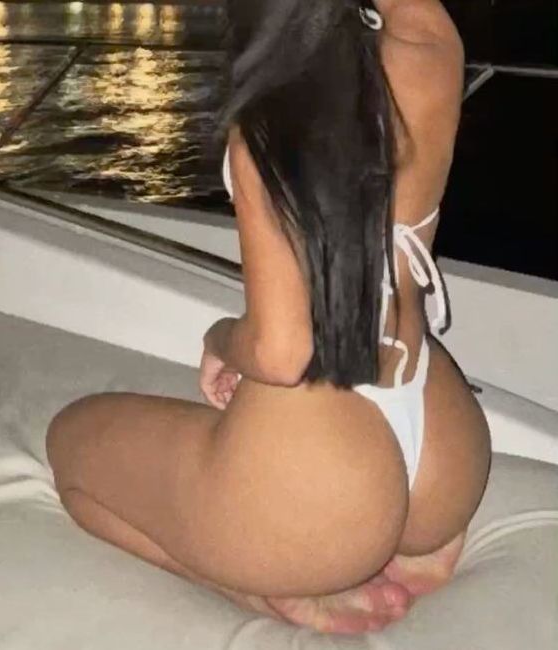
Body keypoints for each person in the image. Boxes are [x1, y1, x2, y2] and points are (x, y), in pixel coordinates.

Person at [46, 0, 491, 635]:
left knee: (72, 444)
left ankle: (268, 590)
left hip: (327, 493)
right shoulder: (429, 47)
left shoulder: (271, 120)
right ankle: (413, 536)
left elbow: (283, 354)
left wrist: (221, 338)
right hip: (445, 455)